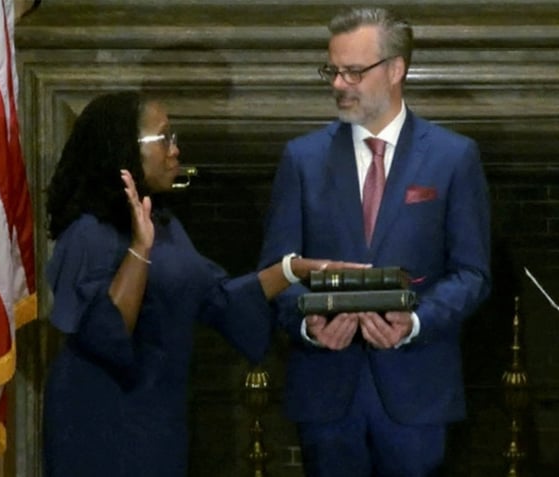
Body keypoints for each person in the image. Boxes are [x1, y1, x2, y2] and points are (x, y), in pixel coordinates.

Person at [41, 91, 363, 477]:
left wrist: (295, 270)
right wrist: (140, 248)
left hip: (159, 415)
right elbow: (107, 333)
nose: (176, 150)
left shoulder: (166, 226)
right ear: (125, 150)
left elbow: (220, 298)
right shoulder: (87, 234)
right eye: (165, 138)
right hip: (100, 417)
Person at [256, 7, 491, 477]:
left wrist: (416, 322)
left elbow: (473, 274)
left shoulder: (453, 156)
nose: (339, 84)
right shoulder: (302, 159)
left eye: (354, 72)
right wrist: (310, 324)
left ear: (396, 69)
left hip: (417, 390)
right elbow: (278, 272)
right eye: (333, 70)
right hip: (327, 392)